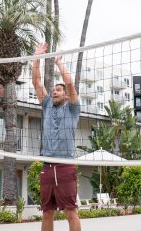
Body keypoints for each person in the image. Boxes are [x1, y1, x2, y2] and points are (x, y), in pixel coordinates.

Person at [32, 43, 81, 231]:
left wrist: (60, 64)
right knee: (47, 212)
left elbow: (69, 84)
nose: (54, 91)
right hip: (47, 165)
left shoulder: (72, 108)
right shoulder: (47, 105)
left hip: (65, 165)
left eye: (58, 90)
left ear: (66, 96)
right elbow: (36, 82)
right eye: (53, 89)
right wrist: (36, 58)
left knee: (70, 212)